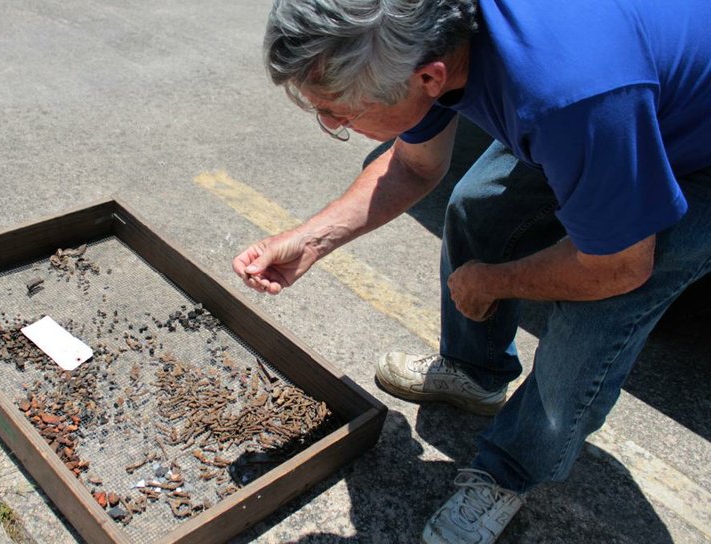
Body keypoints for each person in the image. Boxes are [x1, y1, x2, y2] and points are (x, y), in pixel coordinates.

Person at [232, 0, 711, 542]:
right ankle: (475, 373)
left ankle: (512, 470)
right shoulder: (426, 30)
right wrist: (309, 240)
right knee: (478, 206)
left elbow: (620, 266)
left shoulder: (568, 99)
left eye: (340, 114)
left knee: (597, 318)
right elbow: (414, 166)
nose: (331, 124)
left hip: (694, 144)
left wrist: (494, 280)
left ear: (430, 77)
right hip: (613, 97)